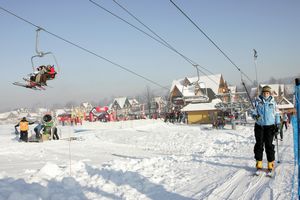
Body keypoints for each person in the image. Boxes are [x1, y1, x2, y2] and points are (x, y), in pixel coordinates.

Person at [252, 85, 280, 175]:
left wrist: (277, 125)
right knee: (259, 145)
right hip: (259, 126)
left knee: (269, 145)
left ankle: (270, 164)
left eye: (267, 93)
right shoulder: (257, 102)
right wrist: (255, 116)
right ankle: (259, 164)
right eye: (264, 93)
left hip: (269, 127)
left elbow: (277, 114)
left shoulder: (273, 103)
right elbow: (252, 111)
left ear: (270, 93)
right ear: (262, 93)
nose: (266, 94)